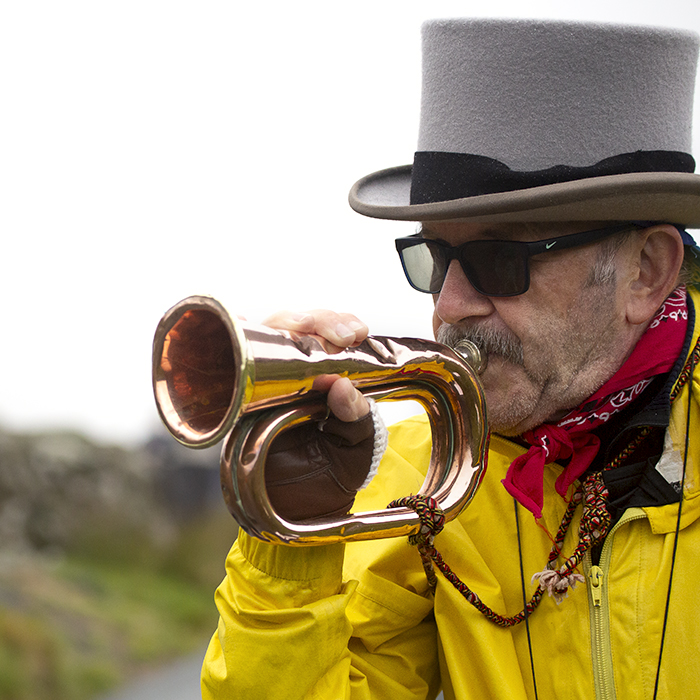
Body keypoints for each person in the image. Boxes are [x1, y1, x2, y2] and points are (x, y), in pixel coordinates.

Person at [200, 18, 700, 699]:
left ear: (645, 271)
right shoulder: (429, 468)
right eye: (435, 257)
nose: (452, 304)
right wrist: (291, 542)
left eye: (502, 258)